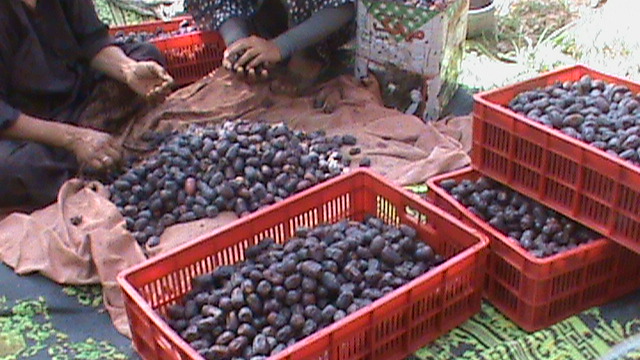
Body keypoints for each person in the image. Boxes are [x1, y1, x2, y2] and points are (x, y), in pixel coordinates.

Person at [0, 0, 174, 209]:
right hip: (25, 129)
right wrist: (73, 138)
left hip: (79, 98)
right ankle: (84, 153)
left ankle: (86, 153)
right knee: (16, 169)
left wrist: (128, 71)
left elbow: (93, 42)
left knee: (146, 55)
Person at [185, 0, 356, 95]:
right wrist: (238, 43)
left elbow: (344, 6)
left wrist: (281, 46)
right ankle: (262, 48)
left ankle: (310, 53)